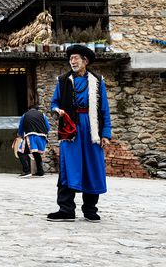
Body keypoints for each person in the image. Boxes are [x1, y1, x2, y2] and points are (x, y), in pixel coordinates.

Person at [47, 44, 112, 222]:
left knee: (92, 167)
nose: (72, 61)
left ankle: (90, 209)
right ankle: (66, 209)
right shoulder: (63, 80)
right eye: (70, 59)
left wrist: (105, 134)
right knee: (68, 167)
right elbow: (54, 102)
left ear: (85, 61)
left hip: (92, 129)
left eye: (76, 58)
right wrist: (57, 110)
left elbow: (104, 109)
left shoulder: (98, 81)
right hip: (71, 129)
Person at [16, 107, 50, 178]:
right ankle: (40, 172)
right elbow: (48, 127)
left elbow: (21, 127)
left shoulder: (25, 115)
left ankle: (26, 171)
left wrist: (20, 135)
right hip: (42, 137)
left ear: (29, 110)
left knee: (20, 152)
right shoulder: (42, 115)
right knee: (36, 153)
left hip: (31, 137)